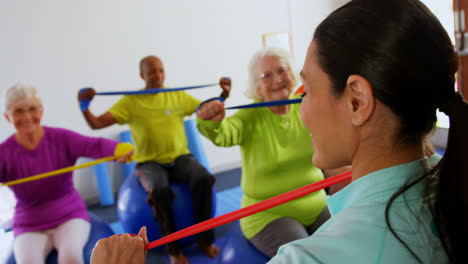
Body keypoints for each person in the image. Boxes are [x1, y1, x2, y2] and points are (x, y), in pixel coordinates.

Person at [268, 0, 467, 263]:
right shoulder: (457, 182)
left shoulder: (306, 258)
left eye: (307, 91)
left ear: (356, 101)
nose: (302, 109)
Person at [196, 47, 350, 258]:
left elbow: (334, 142)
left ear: (292, 75)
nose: (277, 79)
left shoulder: (304, 108)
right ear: (257, 86)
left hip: (315, 202)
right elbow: (223, 134)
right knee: (306, 257)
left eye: (281, 70)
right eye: (267, 75)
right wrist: (209, 122)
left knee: (346, 244)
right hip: (268, 213)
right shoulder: (248, 117)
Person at [77, 55, 231, 264]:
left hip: (179, 157)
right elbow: (96, 124)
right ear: (142, 75)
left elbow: (207, 110)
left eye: (160, 70)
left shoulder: (176, 96)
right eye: (151, 72)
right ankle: (173, 250)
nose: (157, 76)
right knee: (159, 191)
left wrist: (223, 94)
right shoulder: (130, 102)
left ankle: (205, 240)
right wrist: (85, 107)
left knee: (203, 178)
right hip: (149, 163)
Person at [0, 83, 135, 264]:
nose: (27, 117)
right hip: (29, 223)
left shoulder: (59, 138)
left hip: (68, 215)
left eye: (32, 109)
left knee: (71, 257)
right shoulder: (5, 152)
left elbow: (93, 145)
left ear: (41, 111)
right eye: (18, 111)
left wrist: (117, 149)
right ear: (8, 116)